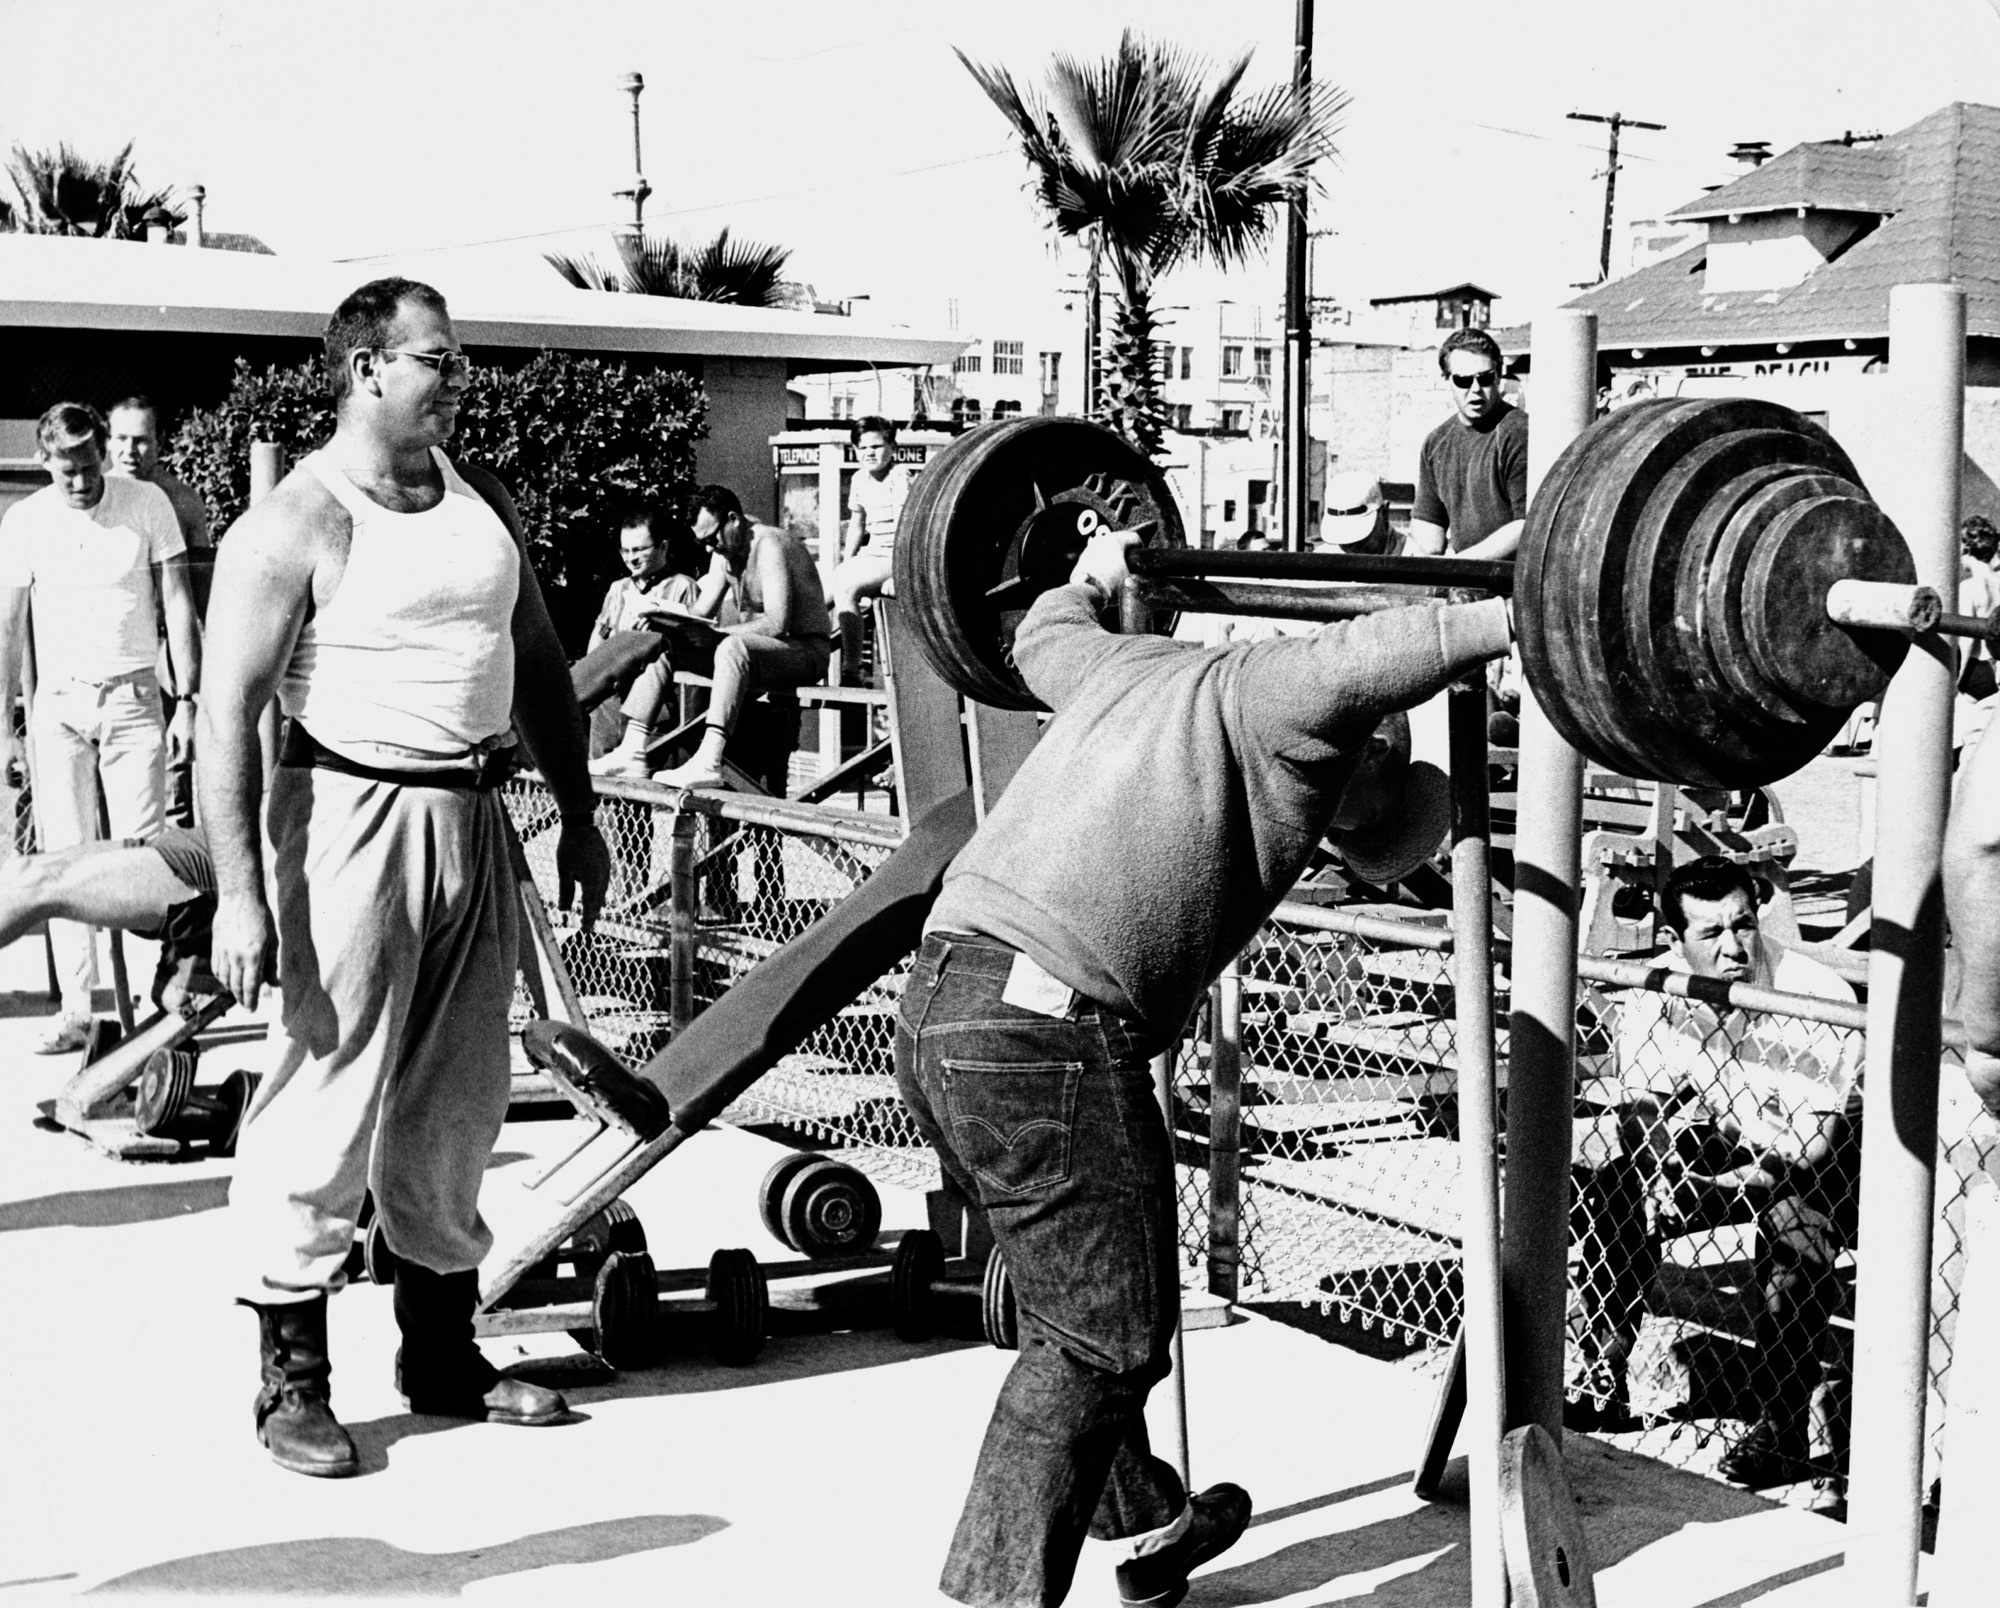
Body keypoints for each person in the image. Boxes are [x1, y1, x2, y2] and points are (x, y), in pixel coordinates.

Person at [897, 526, 1514, 1607]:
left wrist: (1089, 571)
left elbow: (1042, 625)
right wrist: (1525, 612)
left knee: (1083, 1306)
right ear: (1366, 745)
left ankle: (1150, 1527)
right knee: (1106, 1338)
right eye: (1384, 781)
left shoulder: (1128, 666)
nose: (1338, 838)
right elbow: (1398, 646)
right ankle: (990, 1599)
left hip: (941, 1004)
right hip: (1048, 1029)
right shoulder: (1293, 695)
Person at [201, 276, 611, 1480]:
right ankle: (291, 1379)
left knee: (459, 1095)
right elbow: (224, 714)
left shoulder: (476, 500)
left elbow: (537, 661)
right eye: (437, 359)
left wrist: (578, 817)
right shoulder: (294, 521)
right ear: (367, 366)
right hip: (346, 814)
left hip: (475, 815)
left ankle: (441, 1352)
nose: (456, 379)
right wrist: (237, 892)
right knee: (327, 1092)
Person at [1581, 857, 1859, 1500]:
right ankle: (1604, 1371)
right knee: (1613, 1185)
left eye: (1744, 925)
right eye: (1711, 935)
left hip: (1842, 1159)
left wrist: (1710, 1186)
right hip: (1742, 1143)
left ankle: (1782, 1431)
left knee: (1796, 1220)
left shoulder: (1811, 992)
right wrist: (1654, 1167)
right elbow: (1641, 1105)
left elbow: (1811, 1148)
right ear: (1676, 940)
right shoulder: (1660, 986)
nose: (1734, 947)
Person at [0, 401, 202, 1051]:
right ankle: (79, 1012)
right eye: (68, 472)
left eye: (91, 468)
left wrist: (189, 701)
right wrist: (7, 727)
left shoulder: (145, 504)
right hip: (59, 710)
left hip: (134, 703)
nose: (83, 482)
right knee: (64, 858)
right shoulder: (24, 521)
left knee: (144, 858)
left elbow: (177, 607)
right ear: (45, 463)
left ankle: (154, 1007)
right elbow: (8, 628)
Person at [651, 483, 834, 792]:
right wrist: (665, 616)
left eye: (712, 539)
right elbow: (701, 610)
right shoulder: (725, 551)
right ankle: (633, 747)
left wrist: (716, 636)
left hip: (805, 651)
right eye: (703, 543)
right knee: (665, 648)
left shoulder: (769, 545)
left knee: (730, 647)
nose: (710, 548)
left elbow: (778, 623)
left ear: (734, 519)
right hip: (758, 654)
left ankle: (708, 759)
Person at [107, 395, 213, 827]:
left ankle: (174, 885)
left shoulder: (182, 501)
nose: (130, 452)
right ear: (107, 441)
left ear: (160, 442)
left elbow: (199, 595)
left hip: (168, 649)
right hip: (109, 651)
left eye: (142, 441)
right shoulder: (91, 495)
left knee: (170, 776)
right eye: (121, 439)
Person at [582, 507, 707, 776]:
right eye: (625, 551)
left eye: (639, 550)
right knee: (602, 783)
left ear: (663, 547)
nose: (631, 558)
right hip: (610, 703)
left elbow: (695, 647)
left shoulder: (683, 587)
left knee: (644, 786)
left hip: (658, 706)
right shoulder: (619, 589)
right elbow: (599, 636)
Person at [1407, 327, 1529, 561]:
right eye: (1463, 381)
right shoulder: (1436, 442)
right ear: (1447, 380)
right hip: (1466, 579)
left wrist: (1458, 565)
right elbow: (1428, 525)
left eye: (1484, 378)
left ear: (1498, 376)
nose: (1475, 390)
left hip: (1512, 582)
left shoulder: (1519, 433)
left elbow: (1526, 524)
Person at [828, 416, 912, 682]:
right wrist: (846, 562)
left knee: (847, 588)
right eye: (863, 448)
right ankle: (807, 656)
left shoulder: (900, 477)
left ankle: (853, 668)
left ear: (892, 447)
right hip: (871, 555)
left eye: (876, 446)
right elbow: (857, 524)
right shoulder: (859, 479)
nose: (870, 453)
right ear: (855, 451)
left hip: (892, 557)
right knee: (821, 593)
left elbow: (905, 529)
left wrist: (899, 574)